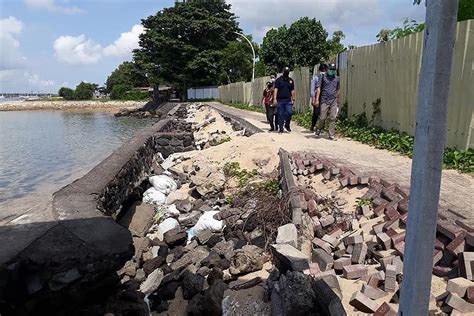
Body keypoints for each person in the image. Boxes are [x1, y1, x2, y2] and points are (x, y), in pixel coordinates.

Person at [314, 62, 340, 140]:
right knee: (322, 117)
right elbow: (318, 88)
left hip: (333, 100)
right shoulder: (323, 77)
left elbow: (338, 89)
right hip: (324, 100)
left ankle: (331, 134)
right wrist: (317, 100)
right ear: (327, 69)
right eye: (330, 69)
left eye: (333, 70)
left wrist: (337, 98)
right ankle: (319, 128)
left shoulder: (337, 78)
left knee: (333, 117)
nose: (332, 71)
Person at [273, 67, 295, 133]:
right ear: (283, 72)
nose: (286, 73)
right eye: (285, 71)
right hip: (280, 100)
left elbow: (292, 90)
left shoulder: (291, 81)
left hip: (288, 100)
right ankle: (281, 128)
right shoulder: (278, 80)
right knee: (280, 114)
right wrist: (274, 99)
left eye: (287, 72)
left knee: (289, 113)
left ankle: (287, 125)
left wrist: (293, 98)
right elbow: (276, 90)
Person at [310, 63, 328, 131]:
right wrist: (313, 99)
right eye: (322, 70)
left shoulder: (327, 78)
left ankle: (322, 127)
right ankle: (313, 124)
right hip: (317, 96)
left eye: (324, 70)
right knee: (316, 112)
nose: (323, 71)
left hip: (324, 97)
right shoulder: (315, 78)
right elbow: (312, 89)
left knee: (323, 112)